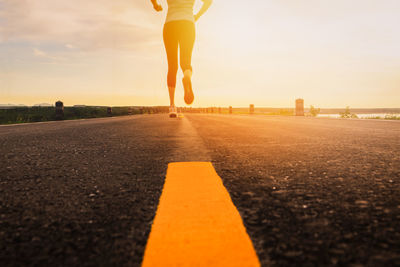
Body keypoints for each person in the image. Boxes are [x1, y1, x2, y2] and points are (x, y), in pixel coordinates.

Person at [151, 0, 212, 116]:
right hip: (188, 24)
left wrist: (155, 5)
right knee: (186, 61)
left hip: (170, 25)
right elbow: (208, 2)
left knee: (172, 66)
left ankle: (172, 106)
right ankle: (187, 77)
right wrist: (197, 16)